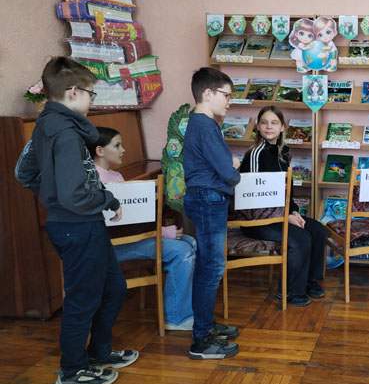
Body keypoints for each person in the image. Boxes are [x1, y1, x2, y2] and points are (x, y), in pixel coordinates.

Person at [14, 57, 137, 384]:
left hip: (81, 223)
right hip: (77, 226)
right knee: (83, 300)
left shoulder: (47, 125)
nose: (91, 101)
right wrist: (106, 199)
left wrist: (53, 195)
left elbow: (24, 173)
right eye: (90, 94)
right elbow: (72, 194)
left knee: (114, 289)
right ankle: (71, 372)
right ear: (72, 92)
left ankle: (98, 352)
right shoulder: (64, 133)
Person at [87, 126, 196, 331]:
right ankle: (176, 317)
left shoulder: (115, 175)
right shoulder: (96, 181)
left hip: (129, 240)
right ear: (99, 150)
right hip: (112, 246)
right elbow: (120, 226)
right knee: (182, 251)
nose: (123, 150)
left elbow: (134, 219)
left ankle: (183, 305)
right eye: (117, 146)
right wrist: (164, 233)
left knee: (190, 241)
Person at [240, 106, 326, 307]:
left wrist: (293, 210)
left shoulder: (283, 153)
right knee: (300, 237)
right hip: (257, 220)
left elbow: (288, 191)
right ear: (258, 127)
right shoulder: (255, 154)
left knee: (317, 230)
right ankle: (289, 292)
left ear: (282, 127)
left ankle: (309, 282)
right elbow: (254, 198)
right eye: (264, 122)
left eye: (274, 123)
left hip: (279, 216)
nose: (269, 127)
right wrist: (285, 217)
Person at [182, 67, 241, 359]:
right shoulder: (205, 125)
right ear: (207, 93)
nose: (229, 101)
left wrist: (228, 165)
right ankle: (201, 340)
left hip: (206, 196)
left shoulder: (202, 123)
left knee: (210, 265)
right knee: (212, 267)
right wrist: (234, 169)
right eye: (226, 95)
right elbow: (227, 172)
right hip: (209, 198)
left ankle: (205, 325)